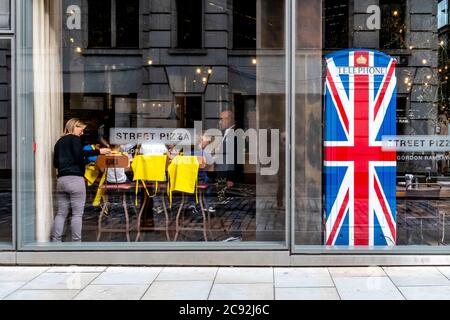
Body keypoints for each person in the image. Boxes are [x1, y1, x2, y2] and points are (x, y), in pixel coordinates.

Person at [51, 118, 111, 242]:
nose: (82, 133)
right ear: (74, 126)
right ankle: (76, 243)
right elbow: (79, 155)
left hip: (61, 181)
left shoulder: (58, 142)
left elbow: (56, 164)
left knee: (61, 213)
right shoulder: (75, 139)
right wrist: (99, 151)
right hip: (75, 180)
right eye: (81, 129)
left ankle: (55, 241)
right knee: (77, 214)